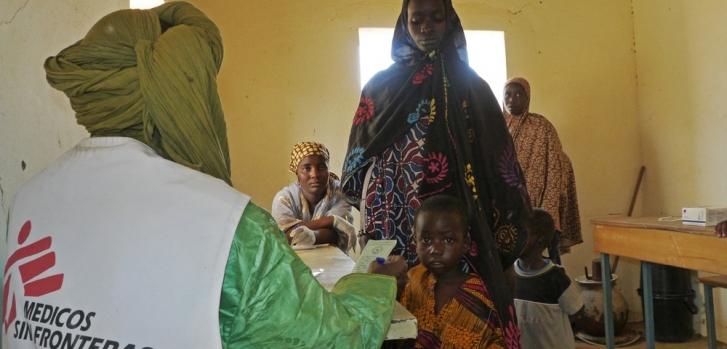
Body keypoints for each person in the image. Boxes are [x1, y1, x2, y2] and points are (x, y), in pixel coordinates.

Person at [3, 3, 405, 348]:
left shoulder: (28, 199)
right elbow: (338, 337)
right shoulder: (228, 225)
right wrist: (374, 281)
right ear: (183, 94)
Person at [341, 1, 530, 346]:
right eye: (417, 19)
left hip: (454, 228)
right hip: (392, 222)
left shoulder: (473, 87)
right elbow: (360, 159)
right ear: (405, 23)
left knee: (461, 320)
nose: (426, 26)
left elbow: (496, 161)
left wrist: (505, 236)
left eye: (436, 18)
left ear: (450, 21)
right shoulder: (380, 87)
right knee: (397, 316)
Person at [401, 195, 506, 348]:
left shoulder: (482, 295)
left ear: (466, 243)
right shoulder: (413, 281)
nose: (435, 250)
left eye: (448, 240)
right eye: (426, 240)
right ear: (414, 240)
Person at [502, 77, 582, 261]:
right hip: (509, 206)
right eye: (508, 94)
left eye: (518, 94)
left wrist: (549, 208)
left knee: (549, 258)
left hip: (540, 206)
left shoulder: (542, 126)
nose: (512, 99)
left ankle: (554, 286)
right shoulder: (497, 127)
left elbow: (555, 167)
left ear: (528, 97)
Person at [513, 208, 583, 349]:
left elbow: (577, 312)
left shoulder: (556, 278)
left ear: (540, 240)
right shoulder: (510, 273)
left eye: (523, 233)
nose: (515, 237)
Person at [272, 141, 356, 252]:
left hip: (332, 260)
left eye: (321, 167)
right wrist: (331, 220)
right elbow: (284, 236)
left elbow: (336, 235)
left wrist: (313, 236)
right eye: (307, 168)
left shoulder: (340, 193)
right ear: (296, 172)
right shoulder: (284, 198)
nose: (314, 175)